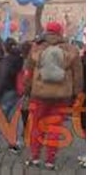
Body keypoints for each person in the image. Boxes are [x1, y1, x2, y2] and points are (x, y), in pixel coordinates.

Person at [23, 22, 83, 170]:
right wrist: (76, 94)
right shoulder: (71, 49)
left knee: (36, 126)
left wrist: (27, 89)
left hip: (39, 94)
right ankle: (50, 160)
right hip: (62, 96)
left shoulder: (36, 48)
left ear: (46, 32)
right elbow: (78, 75)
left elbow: (28, 73)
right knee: (55, 128)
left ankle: (35, 157)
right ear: (60, 33)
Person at [0, 38, 24, 154]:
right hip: (17, 91)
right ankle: (12, 143)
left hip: (6, 91)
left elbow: (2, 79)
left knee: (0, 118)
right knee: (13, 119)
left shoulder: (7, 61)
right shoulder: (21, 59)